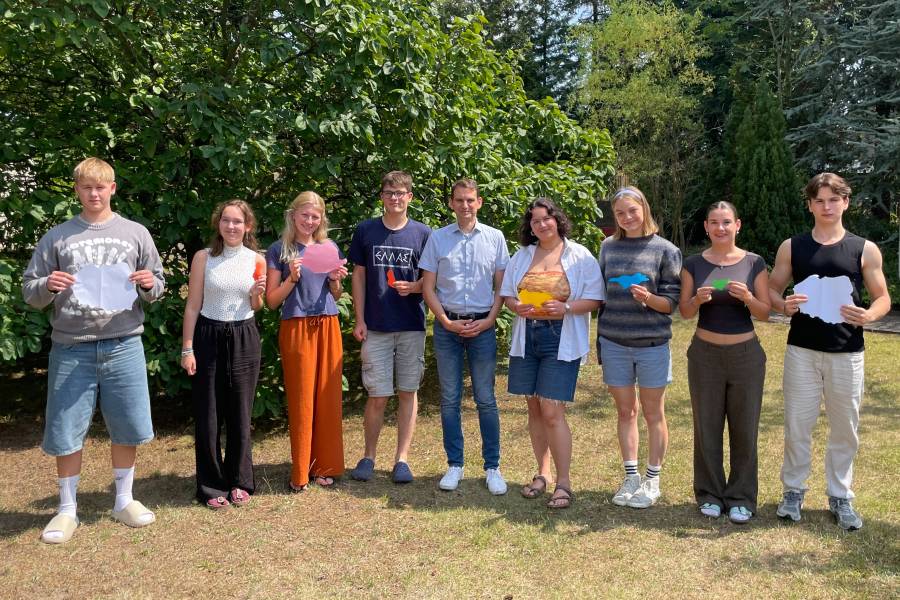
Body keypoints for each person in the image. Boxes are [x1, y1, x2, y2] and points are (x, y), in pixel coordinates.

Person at [22, 157, 165, 543]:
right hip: (72, 347)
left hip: (124, 343)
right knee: (66, 429)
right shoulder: (58, 237)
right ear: (77, 190)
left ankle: (123, 499)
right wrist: (46, 286)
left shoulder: (136, 233)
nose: (95, 193)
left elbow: (158, 287)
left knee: (128, 424)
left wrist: (150, 282)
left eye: (101, 187)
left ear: (113, 188)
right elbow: (30, 291)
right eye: (87, 187)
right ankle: (67, 509)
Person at [768, 173, 890, 531]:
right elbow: (774, 289)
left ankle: (840, 496)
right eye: (819, 200)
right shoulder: (793, 246)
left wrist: (869, 314)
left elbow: (883, 298)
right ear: (810, 205)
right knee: (797, 425)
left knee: (845, 428)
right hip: (802, 351)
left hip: (847, 352)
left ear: (845, 203)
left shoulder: (864, 248)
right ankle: (793, 492)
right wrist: (783, 306)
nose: (826, 206)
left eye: (833, 200)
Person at [500, 198, 604, 509]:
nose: (541, 224)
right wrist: (516, 306)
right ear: (529, 227)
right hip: (527, 338)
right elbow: (507, 294)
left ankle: (564, 483)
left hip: (561, 339)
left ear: (557, 220)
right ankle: (542, 474)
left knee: (552, 412)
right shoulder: (522, 256)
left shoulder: (579, 256)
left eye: (546, 218)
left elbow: (595, 299)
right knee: (533, 409)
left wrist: (566, 307)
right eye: (534, 221)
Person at [679, 201, 770, 523]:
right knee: (707, 427)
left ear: (738, 225)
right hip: (704, 355)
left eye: (727, 222)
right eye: (714, 222)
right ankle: (709, 494)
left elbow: (766, 312)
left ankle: (742, 497)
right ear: (705, 226)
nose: (720, 228)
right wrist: (696, 299)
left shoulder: (754, 262)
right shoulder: (693, 263)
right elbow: (685, 312)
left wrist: (747, 297)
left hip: (746, 356)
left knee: (745, 428)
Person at [420, 178, 510, 495]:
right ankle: (454, 464)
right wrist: (443, 320)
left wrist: (490, 320)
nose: (465, 205)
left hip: (483, 327)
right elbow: (428, 288)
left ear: (479, 202)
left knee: (486, 399)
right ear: (451, 203)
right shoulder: (437, 239)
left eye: (470, 200)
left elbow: (503, 287)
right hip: (448, 328)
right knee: (449, 400)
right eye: (459, 200)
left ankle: (492, 467)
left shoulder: (496, 238)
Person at [597, 186, 681, 509]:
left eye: (632, 211)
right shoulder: (607, 247)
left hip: (651, 345)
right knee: (625, 411)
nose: (627, 217)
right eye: (620, 213)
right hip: (614, 342)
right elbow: (601, 293)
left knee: (652, 412)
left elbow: (670, 304)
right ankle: (631, 476)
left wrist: (649, 299)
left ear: (644, 209)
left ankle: (652, 479)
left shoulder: (666, 250)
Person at [347, 171, 431, 484]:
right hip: (376, 326)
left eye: (400, 193)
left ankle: (402, 460)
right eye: (388, 193)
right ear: (381, 197)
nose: (394, 198)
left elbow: (432, 279)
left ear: (410, 196)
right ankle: (368, 456)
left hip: (411, 325)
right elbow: (358, 275)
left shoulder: (423, 233)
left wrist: (417, 286)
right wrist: (359, 318)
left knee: (408, 392)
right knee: (377, 395)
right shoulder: (366, 230)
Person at [181, 200, 265, 509]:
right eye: (226, 221)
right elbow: (192, 305)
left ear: (248, 226)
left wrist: (256, 296)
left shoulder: (257, 259)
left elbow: (258, 306)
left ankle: (240, 480)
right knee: (209, 415)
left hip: (244, 336)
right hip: (208, 336)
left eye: (238, 222)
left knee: (240, 413)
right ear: (219, 224)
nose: (232, 226)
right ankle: (211, 485)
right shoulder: (204, 258)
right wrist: (187, 348)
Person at [265, 192, 348, 491]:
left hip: (327, 324)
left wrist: (336, 280)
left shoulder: (328, 247)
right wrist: (292, 278)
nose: (310, 222)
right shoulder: (279, 250)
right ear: (293, 215)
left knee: (327, 397)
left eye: (315, 217)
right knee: (301, 399)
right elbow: (271, 301)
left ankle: (324, 467)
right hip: (297, 327)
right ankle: (300, 471)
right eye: (305, 215)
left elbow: (335, 295)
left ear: (321, 219)